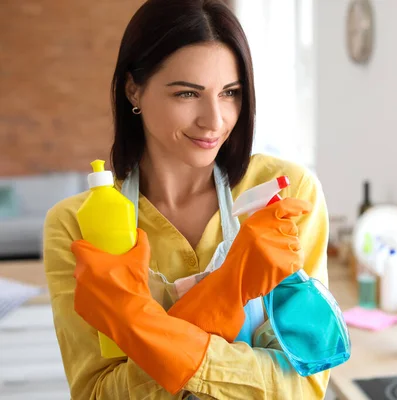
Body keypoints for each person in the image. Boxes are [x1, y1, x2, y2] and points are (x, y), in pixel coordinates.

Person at [42, 0, 331, 398]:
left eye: (230, 92)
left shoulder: (286, 192)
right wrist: (225, 292)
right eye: (187, 94)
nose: (214, 120)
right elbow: (96, 392)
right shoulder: (76, 225)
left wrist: (137, 325)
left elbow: (305, 382)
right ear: (133, 89)